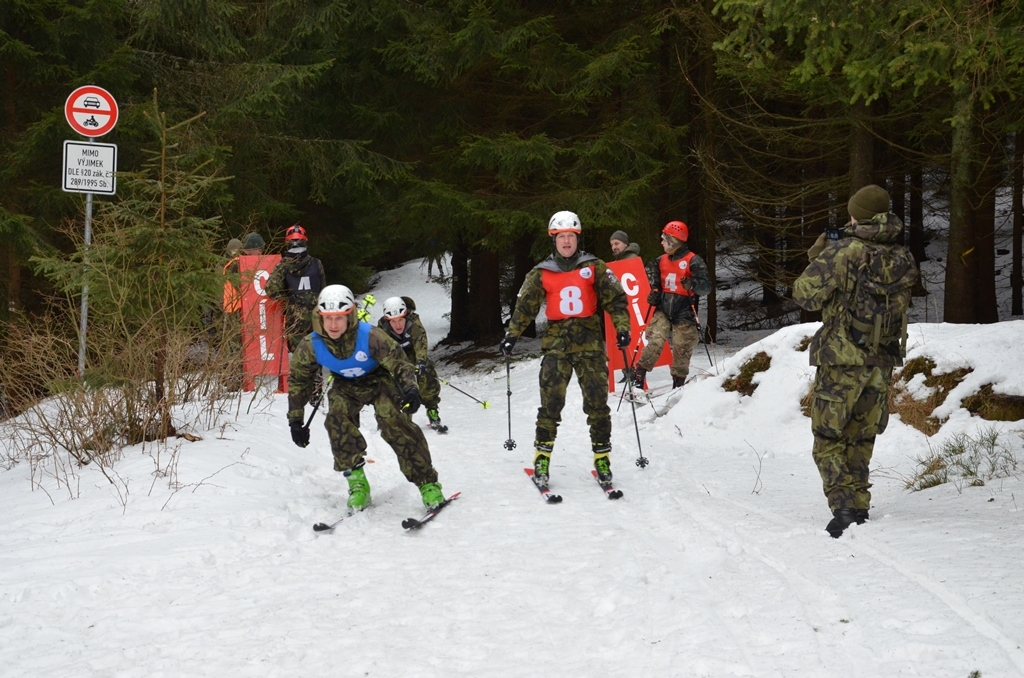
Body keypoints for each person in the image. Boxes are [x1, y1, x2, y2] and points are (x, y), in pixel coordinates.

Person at [792, 184, 918, 538]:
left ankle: (843, 506)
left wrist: (821, 252)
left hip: (842, 357)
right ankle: (859, 503)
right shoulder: (902, 255)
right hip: (882, 357)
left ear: (856, 214)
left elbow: (805, 294)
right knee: (862, 433)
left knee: (828, 433)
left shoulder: (845, 251)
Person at [499, 210, 631, 488]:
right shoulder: (541, 272)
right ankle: (542, 456)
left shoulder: (594, 266)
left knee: (596, 403)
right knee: (551, 403)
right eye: (562, 237)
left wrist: (622, 328)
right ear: (554, 240)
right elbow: (525, 307)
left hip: (590, 343)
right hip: (556, 344)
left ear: (577, 238)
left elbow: (616, 300)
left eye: (571, 236)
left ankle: (602, 456)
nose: (567, 242)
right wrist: (512, 335)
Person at [286, 284, 446, 512]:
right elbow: (298, 381)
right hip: (345, 384)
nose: (333, 325)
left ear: (349, 315)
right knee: (336, 419)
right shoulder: (311, 345)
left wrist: (410, 389)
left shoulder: (371, 336)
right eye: (328, 318)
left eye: (339, 318)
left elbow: (400, 364)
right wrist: (295, 420)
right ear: (320, 317)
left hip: (378, 379)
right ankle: (358, 484)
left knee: (392, 421)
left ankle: (428, 483)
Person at [633, 220, 712, 390]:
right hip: (664, 306)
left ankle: (678, 383)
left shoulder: (693, 260)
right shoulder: (660, 260)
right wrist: (654, 290)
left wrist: (692, 284)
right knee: (655, 339)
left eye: (664, 238)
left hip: (684, 309)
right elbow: (654, 276)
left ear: (673, 240)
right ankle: (639, 376)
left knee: (682, 345)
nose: (661, 242)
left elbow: (706, 288)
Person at [378, 296, 446, 433]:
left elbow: (421, 344)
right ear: (387, 321)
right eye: (393, 322)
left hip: (414, 352)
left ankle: (432, 409)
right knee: (393, 380)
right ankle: (392, 415)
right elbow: (381, 352)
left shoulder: (414, 324)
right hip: (396, 355)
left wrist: (420, 362)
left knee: (426, 371)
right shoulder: (382, 330)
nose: (398, 325)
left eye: (400, 320)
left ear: (406, 316)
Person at [267, 224, 326, 352]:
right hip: (316, 318)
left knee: (299, 356)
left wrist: (286, 299)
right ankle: (317, 371)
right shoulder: (317, 263)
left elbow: (271, 291)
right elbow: (323, 292)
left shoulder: (282, 266)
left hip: (295, 320)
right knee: (316, 351)